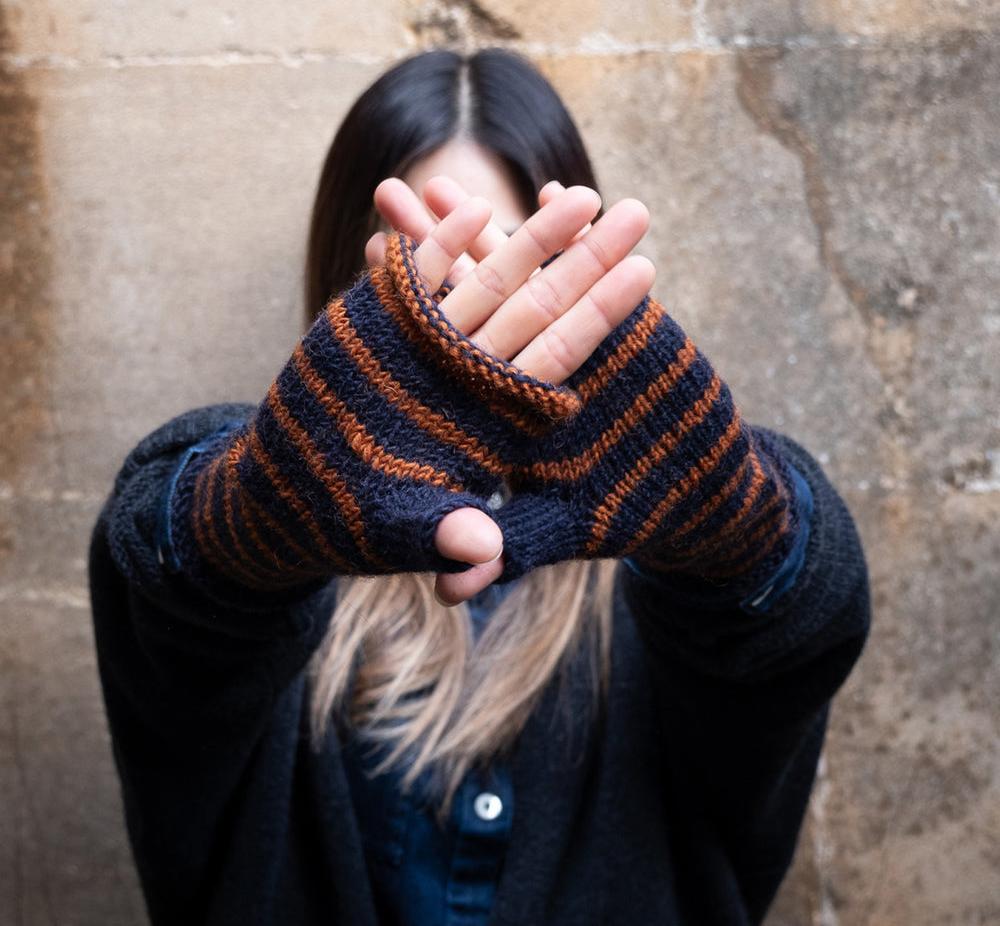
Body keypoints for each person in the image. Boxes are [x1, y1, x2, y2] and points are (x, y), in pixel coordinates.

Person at [89, 48, 870, 926]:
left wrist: (743, 523)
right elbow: (157, 567)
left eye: (509, 264)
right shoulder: (277, 565)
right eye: (427, 282)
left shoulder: (662, 591)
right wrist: (244, 514)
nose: (476, 328)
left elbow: (809, 618)